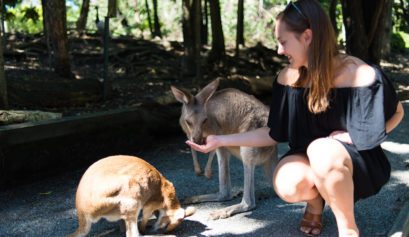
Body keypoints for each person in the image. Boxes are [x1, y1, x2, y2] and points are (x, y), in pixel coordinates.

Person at [186, 0, 405, 236]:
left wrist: (358, 136)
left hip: (355, 159)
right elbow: (273, 133)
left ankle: (348, 228)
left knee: (322, 149)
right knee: (287, 182)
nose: (279, 51)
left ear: (307, 37)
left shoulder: (359, 73)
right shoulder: (287, 78)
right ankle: (315, 202)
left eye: (283, 42)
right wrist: (220, 140)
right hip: (309, 157)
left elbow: (397, 113)